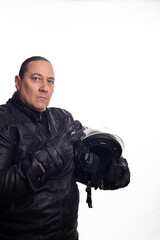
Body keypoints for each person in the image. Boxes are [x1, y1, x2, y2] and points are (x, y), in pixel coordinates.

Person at [0, 56, 130, 240]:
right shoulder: (4, 123)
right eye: (36, 78)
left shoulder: (62, 119)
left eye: (50, 81)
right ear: (18, 82)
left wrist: (109, 172)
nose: (44, 87)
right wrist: (51, 155)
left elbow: (81, 169)